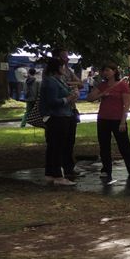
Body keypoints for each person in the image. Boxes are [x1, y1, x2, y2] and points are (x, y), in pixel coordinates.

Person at [86, 63, 130, 179]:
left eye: (108, 70)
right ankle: (106, 169)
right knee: (104, 145)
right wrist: (102, 94)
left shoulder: (122, 85)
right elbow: (89, 98)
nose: (105, 73)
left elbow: (126, 104)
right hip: (103, 119)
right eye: (104, 71)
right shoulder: (102, 85)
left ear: (114, 71)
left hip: (117, 119)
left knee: (124, 145)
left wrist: (123, 121)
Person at [39, 58, 79, 186]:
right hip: (57, 117)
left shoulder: (58, 80)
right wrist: (68, 98)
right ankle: (58, 176)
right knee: (57, 147)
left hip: (63, 116)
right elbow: (52, 101)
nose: (64, 70)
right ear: (57, 68)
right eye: (62, 67)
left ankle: (50, 173)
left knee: (54, 147)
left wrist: (72, 95)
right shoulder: (50, 82)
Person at [54, 48, 83, 177]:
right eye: (65, 57)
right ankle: (58, 170)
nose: (68, 59)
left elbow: (80, 83)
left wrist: (69, 83)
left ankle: (68, 168)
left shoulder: (68, 70)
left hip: (70, 110)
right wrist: (70, 85)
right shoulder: (51, 73)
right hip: (59, 113)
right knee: (60, 142)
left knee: (70, 141)